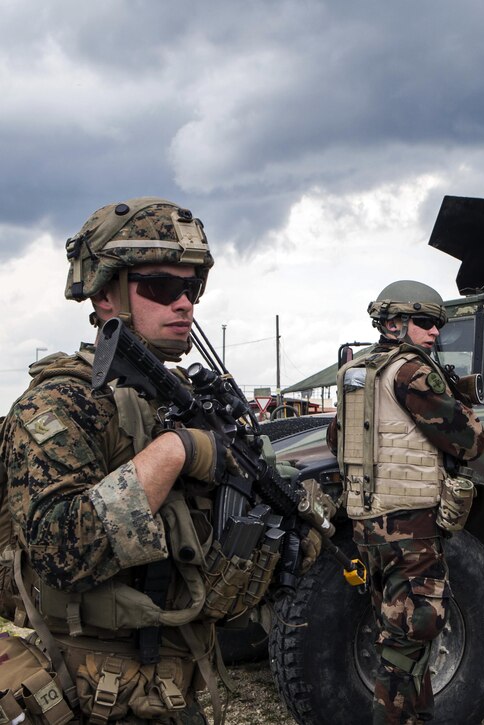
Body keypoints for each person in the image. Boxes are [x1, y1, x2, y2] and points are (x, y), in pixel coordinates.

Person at [0, 197, 264, 723]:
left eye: (192, 288)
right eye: (163, 287)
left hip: (176, 685)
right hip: (78, 689)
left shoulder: (189, 401)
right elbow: (61, 550)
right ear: (104, 295)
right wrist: (177, 450)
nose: (184, 303)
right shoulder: (59, 403)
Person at [335, 280, 484, 724]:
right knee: (413, 629)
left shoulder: (355, 371)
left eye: (437, 323)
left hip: (370, 522)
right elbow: (470, 441)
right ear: (394, 323)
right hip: (409, 524)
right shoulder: (411, 372)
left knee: (399, 627)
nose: (434, 332)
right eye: (424, 322)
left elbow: (337, 439)